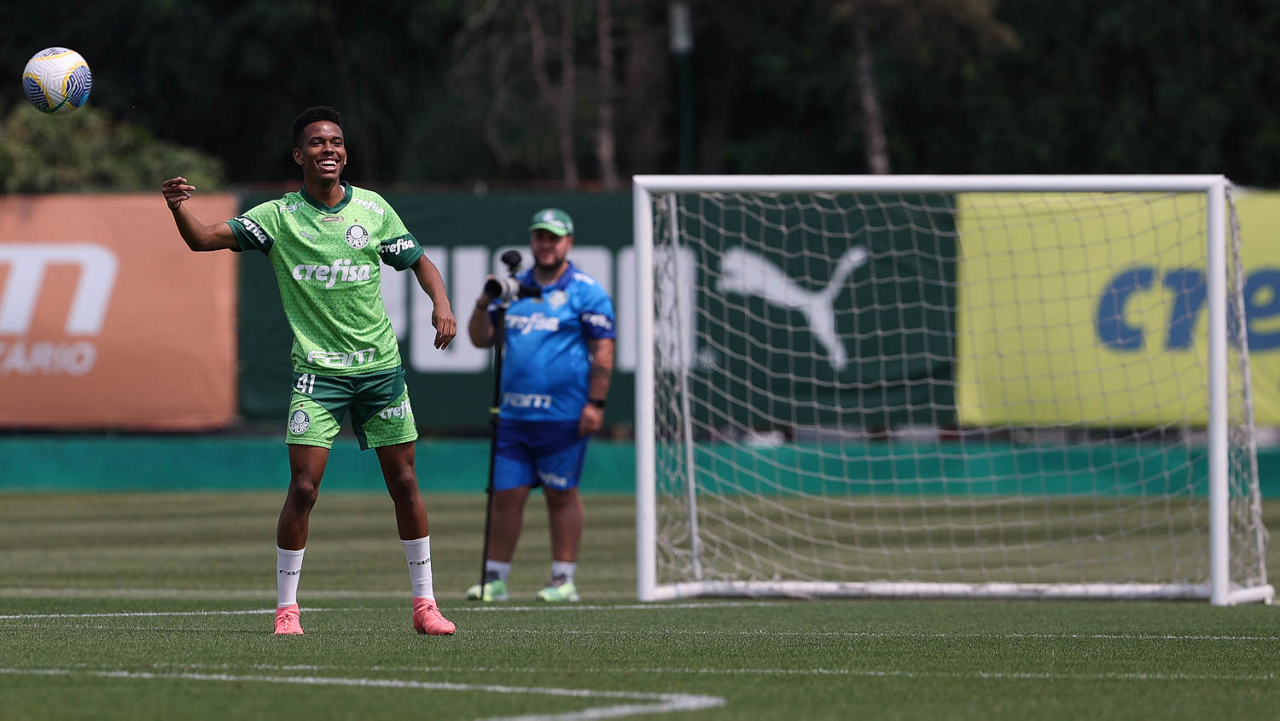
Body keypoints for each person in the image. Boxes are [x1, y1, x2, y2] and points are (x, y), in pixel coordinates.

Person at [161, 105, 457, 636]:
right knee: (303, 488)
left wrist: (442, 303)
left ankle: (425, 605)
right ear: (299, 156)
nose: (329, 150)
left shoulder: (373, 209)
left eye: (336, 142)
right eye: (318, 143)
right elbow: (203, 239)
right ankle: (286, 609)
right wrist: (179, 208)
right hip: (318, 376)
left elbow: (419, 261)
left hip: (380, 370)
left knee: (405, 483)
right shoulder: (279, 217)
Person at [465, 208, 616, 603]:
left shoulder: (586, 290)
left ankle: (563, 579)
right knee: (506, 495)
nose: (546, 245)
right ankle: (495, 579)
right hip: (513, 414)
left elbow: (603, 351)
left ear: (568, 243)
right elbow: (480, 339)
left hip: (563, 414)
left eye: (554, 238)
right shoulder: (513, 288)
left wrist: (595, 402)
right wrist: (484, 301)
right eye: (540, 237)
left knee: (561, 494)